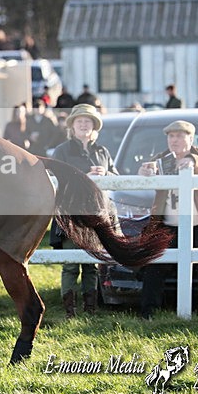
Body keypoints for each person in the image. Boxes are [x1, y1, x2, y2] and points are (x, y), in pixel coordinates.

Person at [137, 120, 198, 319]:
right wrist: (144, 171)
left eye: (180, 136)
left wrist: (193, 162)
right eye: (171, 136)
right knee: (154, 268)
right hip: (167, 226)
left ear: (190, 138)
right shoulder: (162, 158)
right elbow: (145, 172)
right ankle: (147, 315)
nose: (175, 140)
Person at [50, 104, 117, 317]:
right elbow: (55, 179)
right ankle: (70, 311)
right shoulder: (62, 150)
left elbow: (117, 179)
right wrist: (84, 174)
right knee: (71, 264)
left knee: (92, 265)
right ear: (72, 125)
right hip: (71, 214)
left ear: (94, 125)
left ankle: (90, 310)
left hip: (96, 215)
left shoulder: (103, 151)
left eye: (88, 121)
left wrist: (105, 174)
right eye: (79, 121)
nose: (83, 124)